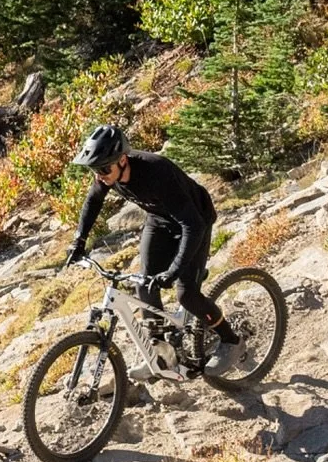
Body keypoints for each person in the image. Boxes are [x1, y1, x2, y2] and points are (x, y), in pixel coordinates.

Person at [66, 125, 237, 348]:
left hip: (196, 220)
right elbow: (93, 202)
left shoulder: (156, 173)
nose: (100, 176)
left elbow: (192, 225)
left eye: (104, 170)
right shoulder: (106, 174)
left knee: (187, 295)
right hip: (159, 220)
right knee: (145, 284)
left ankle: (231, 340)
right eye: (95, 170)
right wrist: (79, 240)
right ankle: (160, 350)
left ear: (123, 160)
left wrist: (174, 270)